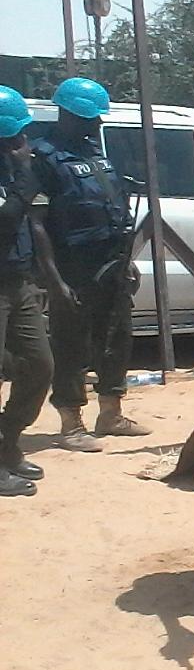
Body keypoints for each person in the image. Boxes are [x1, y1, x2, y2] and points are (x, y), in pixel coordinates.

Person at [30, 76, 149, 451]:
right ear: (67, 115)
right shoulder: (43, 158)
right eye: (89, 116)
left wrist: (127, 261)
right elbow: (37, 224)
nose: (97, 123)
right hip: (72, 266)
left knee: (116, 337)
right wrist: (54, 280)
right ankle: (71, 424)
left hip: (111, 262)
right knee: (71, 345)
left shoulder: (95, 153)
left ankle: (110, 414)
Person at [0, 87, 55, 496]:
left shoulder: (10, 169)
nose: (25, 140)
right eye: (17, 133)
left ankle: (7, 443)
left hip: (17, 282)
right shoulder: (17, 174)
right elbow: (6, 219)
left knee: (39, 365)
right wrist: (25, 176)